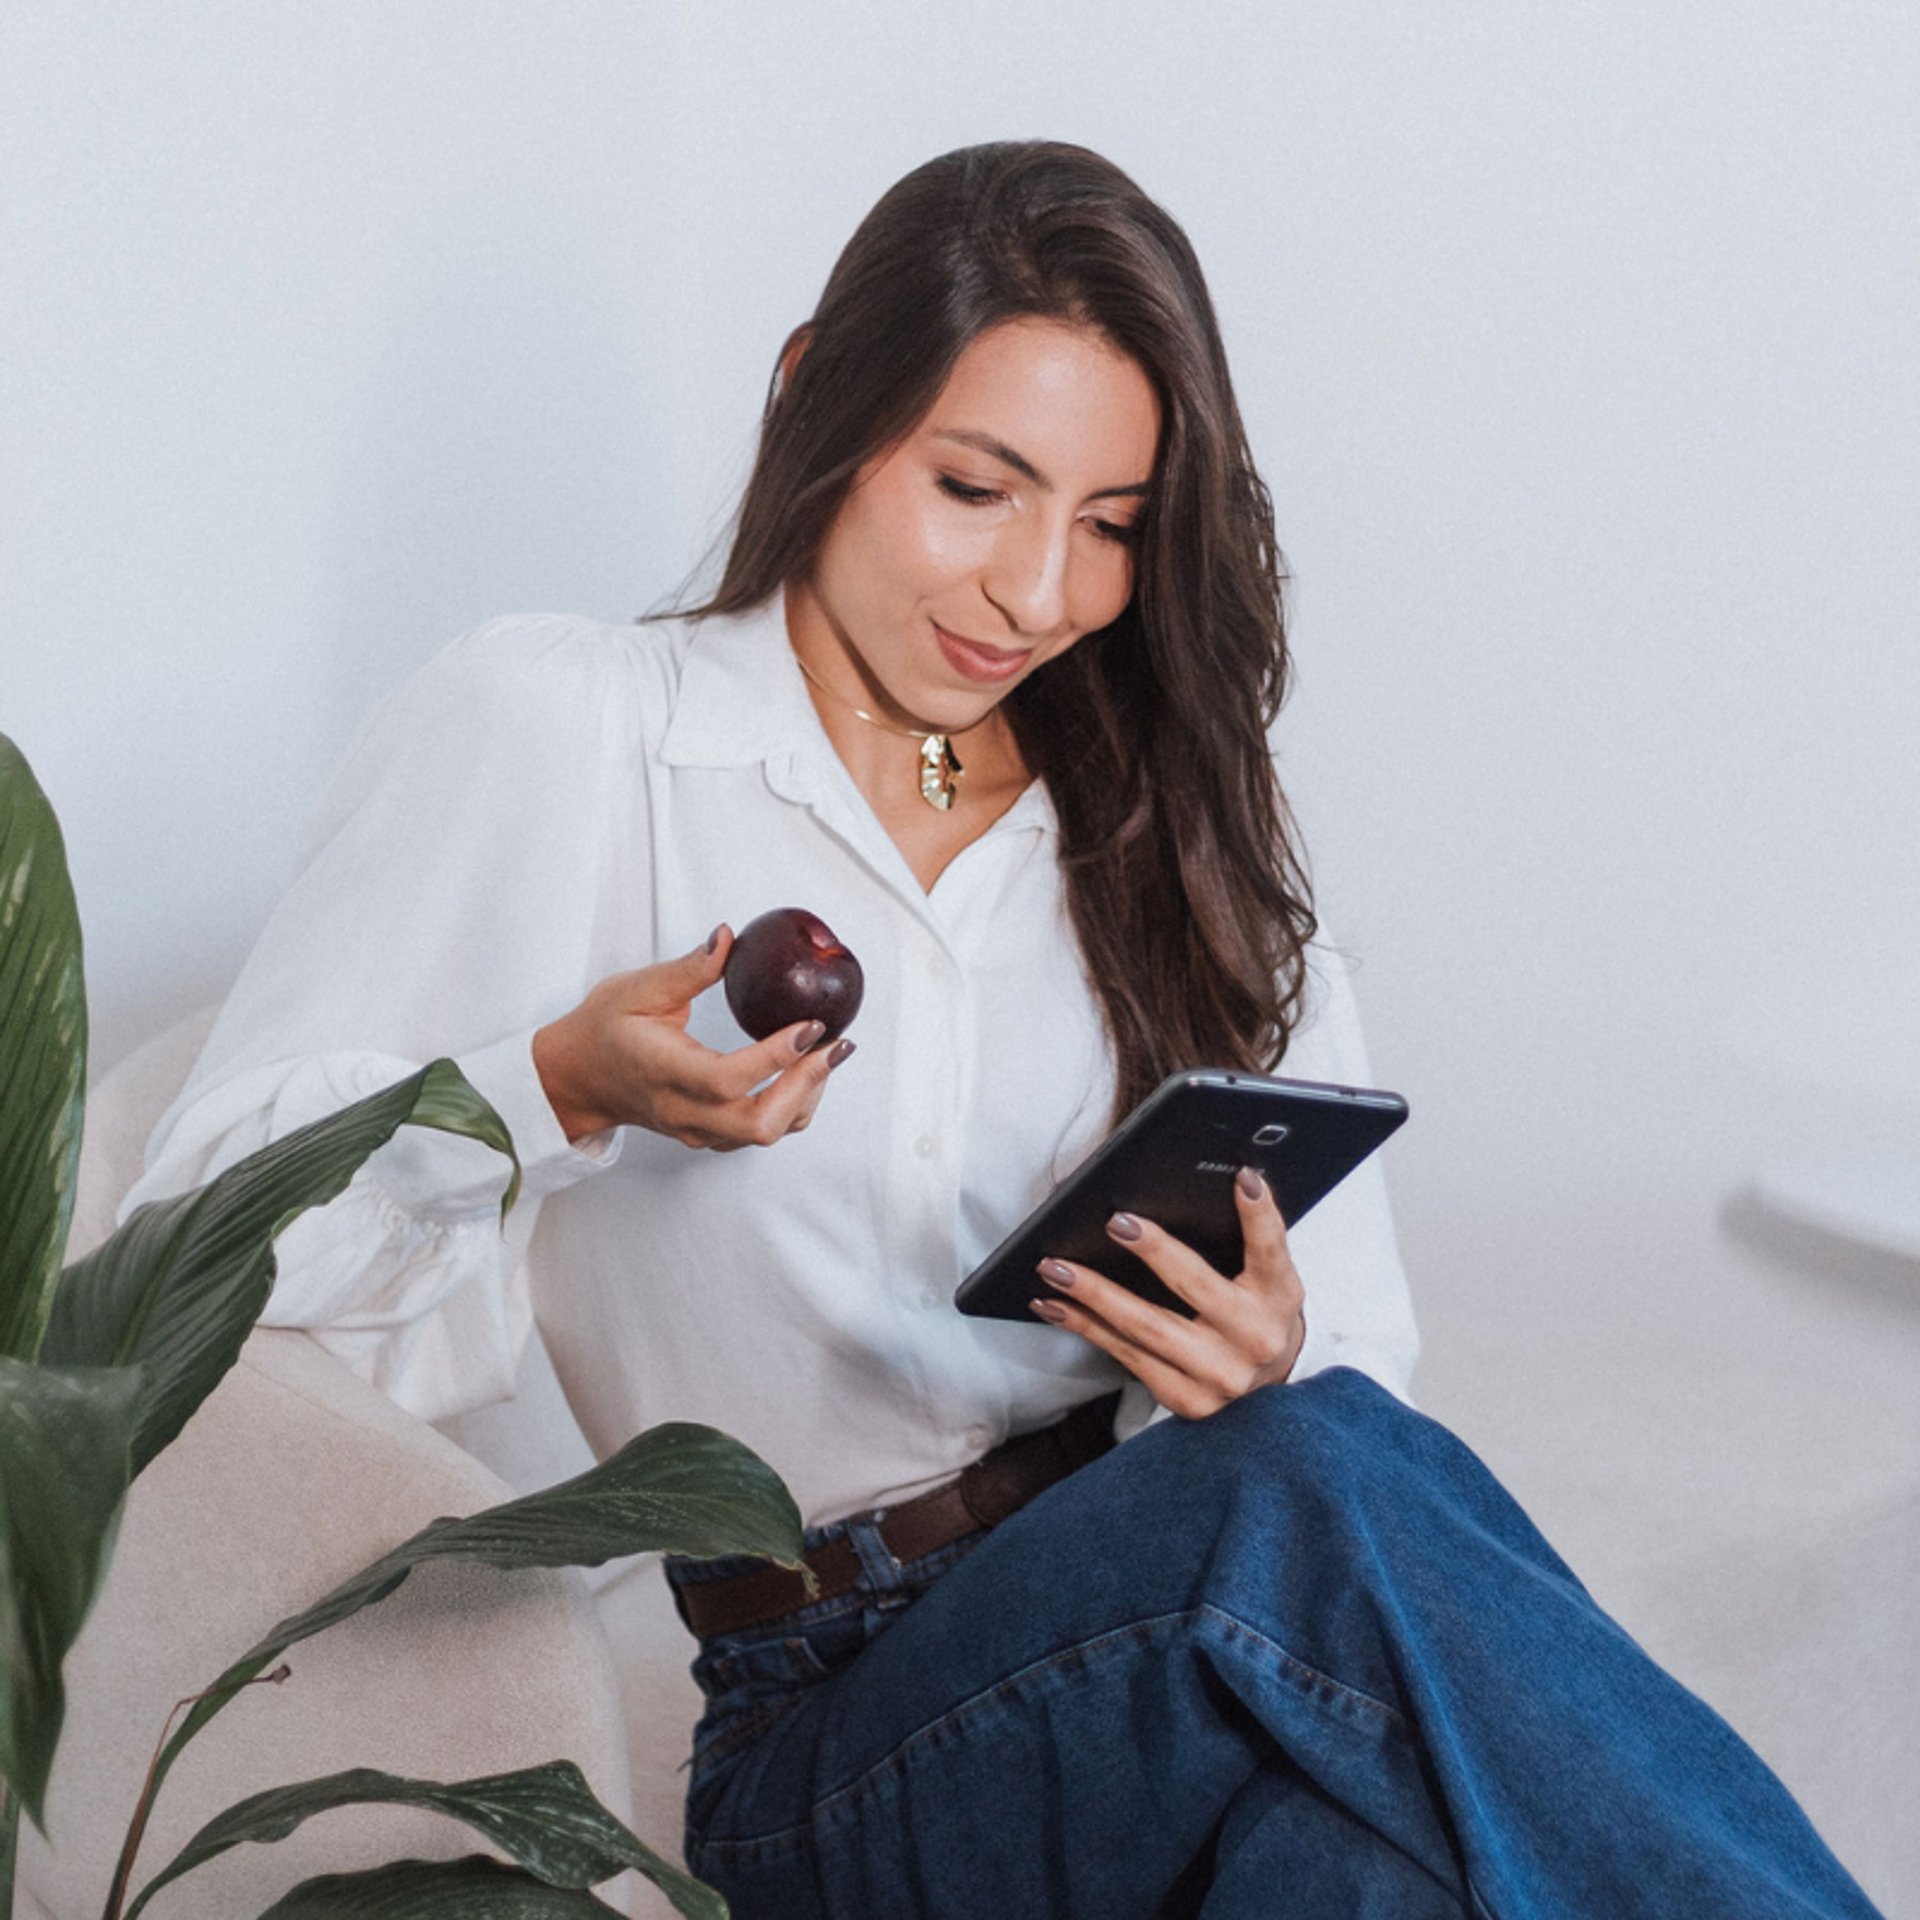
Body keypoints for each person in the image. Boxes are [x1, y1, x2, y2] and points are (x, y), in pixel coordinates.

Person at [127, 140, 1879, 1917]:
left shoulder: (1169, 830)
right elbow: (189, 1247)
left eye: (1112, 526)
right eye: (978, 487)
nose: (1038, 595)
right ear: (821, 397)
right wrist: (556, 1086)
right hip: (841, 1729)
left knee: (1354, 1862)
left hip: (1166, 1629)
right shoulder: (575, 730)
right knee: (1303, 1487)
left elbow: (1358, 1403)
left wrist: (1252, 1352)